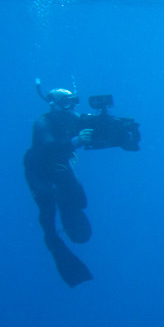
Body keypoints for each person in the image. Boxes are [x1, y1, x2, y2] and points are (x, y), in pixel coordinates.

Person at [24, 82, 139, 286]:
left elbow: (100, 128)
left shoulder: (74, 119)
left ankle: (66, 210)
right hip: (39, 170)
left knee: (78, 199)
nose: (72, 107)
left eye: (74, 102)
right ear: (54, 104)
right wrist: (74, 142)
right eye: (66, 102)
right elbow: (47, 146)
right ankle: (52, 241)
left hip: (60, 166)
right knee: (46, 206)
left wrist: (121, 132)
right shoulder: (43, 122)